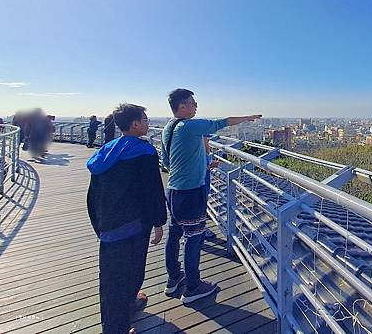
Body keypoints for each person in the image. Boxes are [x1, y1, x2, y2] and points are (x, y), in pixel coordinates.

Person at [161, 88, 261, 304]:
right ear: (182, 106)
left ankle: (173, 280)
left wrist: (202, 166)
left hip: (174, 190)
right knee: (194, 237)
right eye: (192, 102)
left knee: (175, 233)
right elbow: (221, 122)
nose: (196, 106)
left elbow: (167, 163)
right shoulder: (190, 126)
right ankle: (193, 287)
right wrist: (248, 117)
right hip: (191, 192)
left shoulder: (169, 128)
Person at [86, 103, 167, 334]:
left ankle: (124, 309)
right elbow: (152, 190)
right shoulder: (145, 152)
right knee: (131, 271)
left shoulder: (106, 151)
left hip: (108, 225)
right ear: (135, 124)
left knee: (111, 276)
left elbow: (93, 194)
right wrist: (159, 222)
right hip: (134, 225)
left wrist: (99, 224)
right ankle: (117, 328)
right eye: (145, 119)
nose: (147, 123)